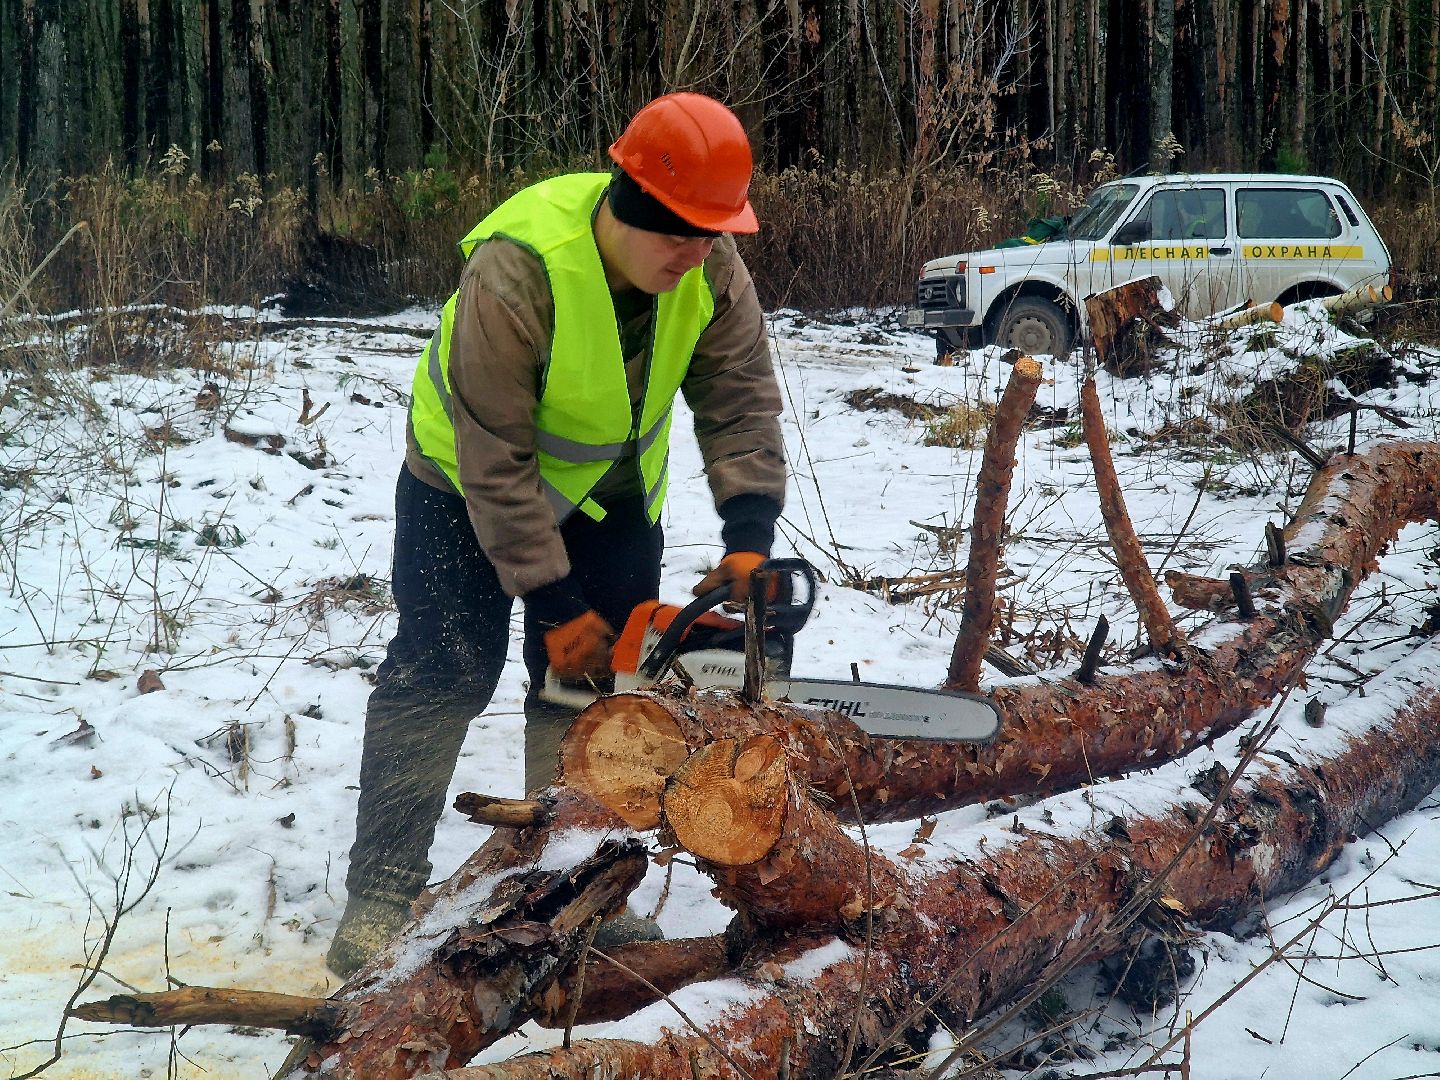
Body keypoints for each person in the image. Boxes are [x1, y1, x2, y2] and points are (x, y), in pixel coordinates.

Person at [326, 92, 788, 978]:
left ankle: (574, 889)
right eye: (682, 233)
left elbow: (741, 401)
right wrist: (552, 600)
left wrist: (748, 532)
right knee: (441, 674)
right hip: (462, 487)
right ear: (632, 203)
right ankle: (381, 891)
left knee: (594, 703)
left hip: (612, 501)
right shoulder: (517, 270)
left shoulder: (713, 270)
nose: (698, 253)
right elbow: (495, 457)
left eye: (713, 233)